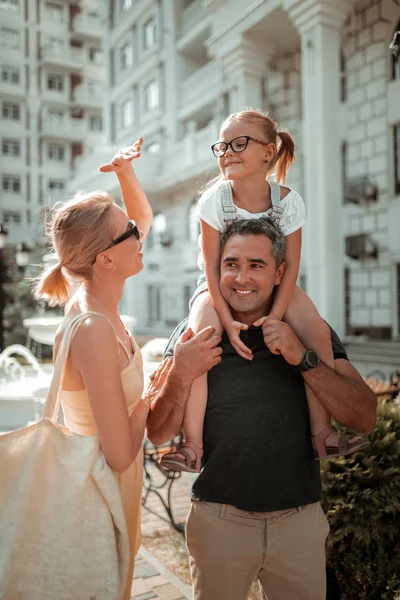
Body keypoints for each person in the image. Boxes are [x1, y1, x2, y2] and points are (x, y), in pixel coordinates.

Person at [145, 218, 377, 600]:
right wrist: (181, 375)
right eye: (231, 263)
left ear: (279, 272)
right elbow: (156, 432)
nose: (242, 277)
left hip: (298, 522)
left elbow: (364, 417)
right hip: (218, 522)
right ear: (216, 269)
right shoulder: (195, 331)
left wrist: (302, 357)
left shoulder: (306, 328)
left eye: (256, 265)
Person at [33, 141, 222, 600]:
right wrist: (166, 379)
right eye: (130, 234)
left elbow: (142, 219)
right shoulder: (93, 328)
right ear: (105, 259)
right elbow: (118, 452)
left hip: (111, 489)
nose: (142, 236)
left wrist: (125, 173)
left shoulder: (97, 297)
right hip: (96, 496)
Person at [161, 108, 368, 472]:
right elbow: (211, 267)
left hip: (276, 283)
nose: (228, 151)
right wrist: (225, 319)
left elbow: (290, 269)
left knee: (316, 330)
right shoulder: (214, 200)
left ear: (268, 153)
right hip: (215, 286)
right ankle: (192, 444)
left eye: (239, 143)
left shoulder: (288, 201)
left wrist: (275, 319)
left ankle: (323, 434)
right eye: (222, 145)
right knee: (200, 335)